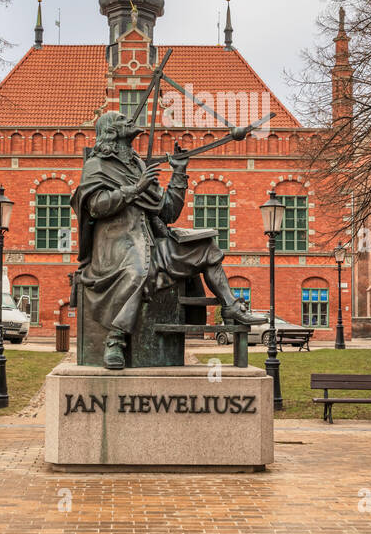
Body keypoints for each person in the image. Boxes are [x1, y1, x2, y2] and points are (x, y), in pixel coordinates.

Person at [72, 111, 261, 370]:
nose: (130, 120)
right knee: (137, 270)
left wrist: (179, 173)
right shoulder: (97, 166)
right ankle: (115, 340)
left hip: (150, 242)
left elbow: (168, 211)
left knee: (206, 248)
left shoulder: (137, 165)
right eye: (121, 119)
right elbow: (95, 206)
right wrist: (134, 189)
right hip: (115, 244)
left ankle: (231, 306)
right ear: (111, 132)